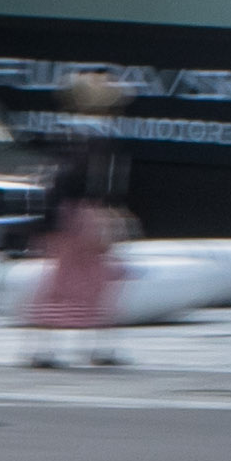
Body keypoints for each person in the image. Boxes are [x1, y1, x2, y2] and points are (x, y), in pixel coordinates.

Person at [25, 69, 133, 369]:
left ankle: (44, 348)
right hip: (85, 214)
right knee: (97, 280)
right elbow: (95, 183)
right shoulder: (98, 137)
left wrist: (48, 221)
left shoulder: (66, 133)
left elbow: (56, 182)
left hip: (69, 214)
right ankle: (97, 347)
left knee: (64, 280)